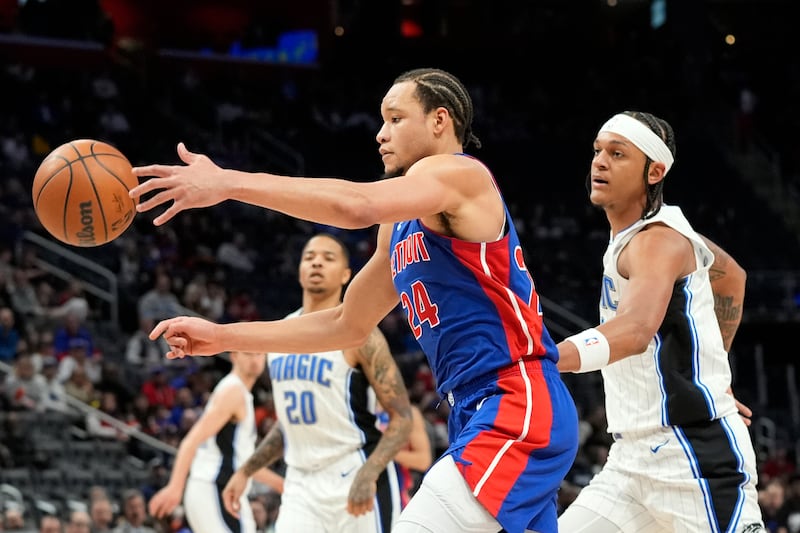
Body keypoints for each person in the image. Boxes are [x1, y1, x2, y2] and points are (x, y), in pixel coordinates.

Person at [130, 67, 579, 533]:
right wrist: (223, 336)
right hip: (475, 408)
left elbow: (355, 206)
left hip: (516, 401)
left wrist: (229, 184)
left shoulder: (458, 174)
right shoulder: (401, 225)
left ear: (439, 121)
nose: (381, 134)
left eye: (395, 118)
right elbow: (344, 323)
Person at [555, 110, 765, 532]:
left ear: (654, 171)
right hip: (631, 462)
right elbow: (731, 278)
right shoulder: (651, 234)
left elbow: (634, 331)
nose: (599, 162)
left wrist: (543, 357)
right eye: (598, 151)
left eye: (618, 154)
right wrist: (714, 374)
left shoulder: (659, 240)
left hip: (693, 456)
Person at [221, 233, 414, 532]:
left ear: (346, 274)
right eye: (309, 257)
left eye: (328, 257)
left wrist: (369, 473)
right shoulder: (278, 334)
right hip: (301, 485)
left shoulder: (362, 334)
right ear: (299, 269)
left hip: (354, 472)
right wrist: (246, 470)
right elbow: (288, 424)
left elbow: (402, 416)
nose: (317, 263)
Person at [146, 350, 275, 533]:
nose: (254, 359)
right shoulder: (233, 392)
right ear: (234, 356)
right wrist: (175, 487)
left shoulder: (239, 393)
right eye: (248, 353)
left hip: (224, 490)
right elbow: (191, 441)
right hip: (213, 487)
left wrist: (282, 485)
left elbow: (244, 464)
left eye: (259, 354)